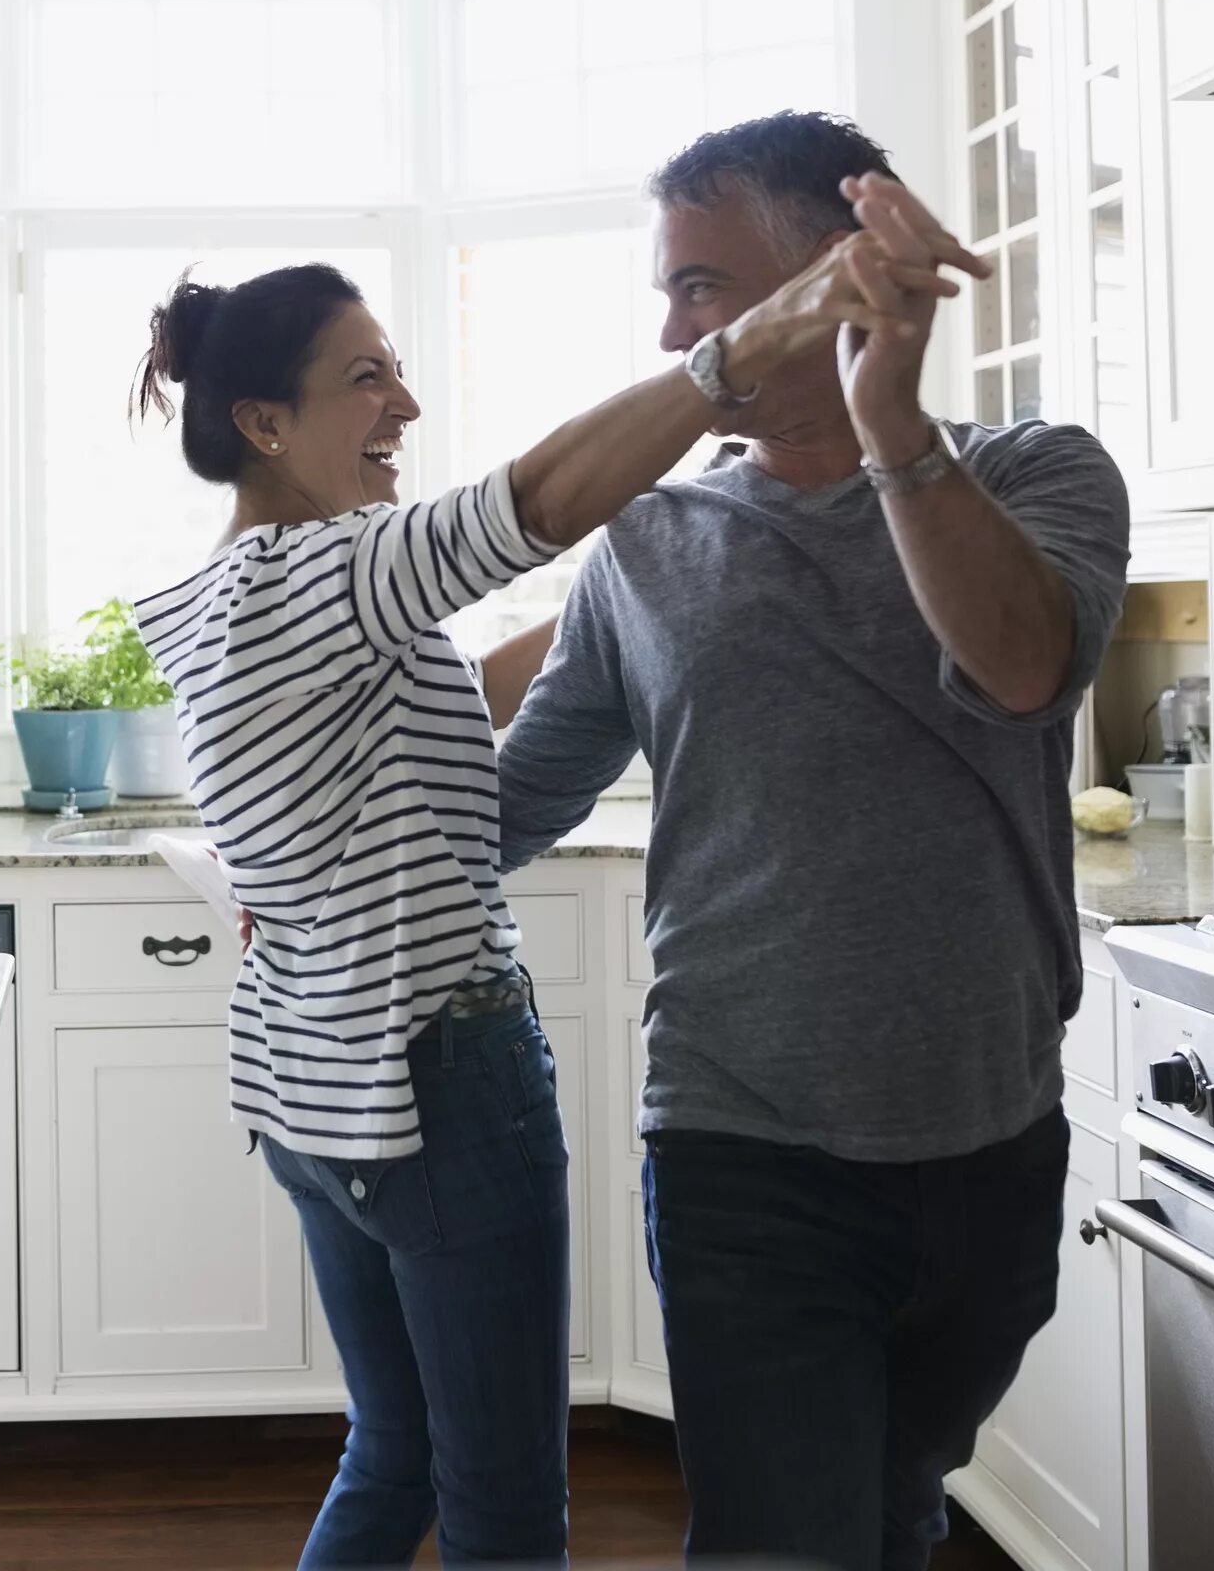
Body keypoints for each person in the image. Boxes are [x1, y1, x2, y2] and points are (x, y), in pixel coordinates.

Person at [128, 214, 981, 1570]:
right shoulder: (334, 571)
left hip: (316, 1085)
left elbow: (439, 705)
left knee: (394, 1451)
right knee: (506, 1513)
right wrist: (749, 342)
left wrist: (626, 581)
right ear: (265, 423)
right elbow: (525, 505)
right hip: (440, 1087)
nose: (403, 404)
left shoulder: (237, 598)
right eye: (365, 378)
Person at [496, 111, 1132, 1571]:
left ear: (834, 273)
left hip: (991, 1138)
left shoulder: (1042, 474)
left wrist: (892, 422)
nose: (674, 328)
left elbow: (1022, 671)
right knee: (785, 1540)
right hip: (743, 1142)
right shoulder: (650, 542)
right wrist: (305, 868)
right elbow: (511, 806)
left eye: (703, 285)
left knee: (899, 1503)